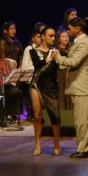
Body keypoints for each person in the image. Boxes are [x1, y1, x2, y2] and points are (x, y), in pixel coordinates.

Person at [54, 17, 88, 158]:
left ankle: (83, 149)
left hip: (82, 87)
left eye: (70, 28)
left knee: (81, 120)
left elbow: (74, 62)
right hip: (79, 86)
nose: (68, 30)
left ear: (78, 28)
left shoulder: (83, 43)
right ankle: (86, 147)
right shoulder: (79, 42)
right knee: (83, 119)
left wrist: (58, 58)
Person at [29, 26, 61, 156]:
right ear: (43, 37)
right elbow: (37, 65)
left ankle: (56, 143)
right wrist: (49, 59)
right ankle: (37, 143)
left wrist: (58, 57)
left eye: (54, 36)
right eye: (50, 36)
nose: (53, 38)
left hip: (50, 87)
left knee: (55, 115)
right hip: (36, 85)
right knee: (37, 115)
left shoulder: (56, 51)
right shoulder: (34, 51)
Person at [56, 29, 72, 110]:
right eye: (63, 36)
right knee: (62, 93)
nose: (66, 38)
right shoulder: (56, 50)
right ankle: (63, 113)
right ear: (59, 38)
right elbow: (59, 63)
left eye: (67, 36)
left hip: (70, 73)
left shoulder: (71, 49)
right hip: (61, 74)